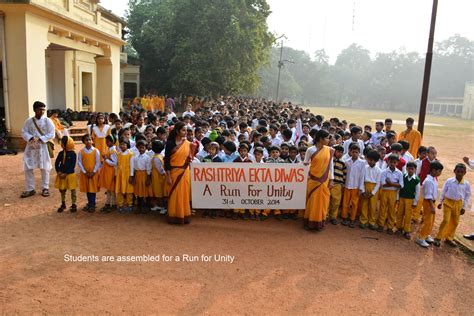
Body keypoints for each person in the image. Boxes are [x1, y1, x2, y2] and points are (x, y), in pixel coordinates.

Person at [21, 101, 55, 198]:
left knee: (45, 167)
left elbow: (52, 133)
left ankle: (45, 188)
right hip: (31, 147)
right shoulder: (28, 121)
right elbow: (23, 132)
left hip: (42, 147)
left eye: (43, 109)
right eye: (40, 109)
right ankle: (30, 189)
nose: (42, 111)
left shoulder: (47, 121)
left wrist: (41, 138)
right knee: (28, 167)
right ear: (35, 110)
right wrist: (30, 138)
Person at [433, 163, 471, 247]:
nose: (459, 173)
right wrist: (441, 202)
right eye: (458, 171)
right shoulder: (449, 181)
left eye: (462, 172)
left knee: (455, 222)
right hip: (448, 202)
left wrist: (464, 207)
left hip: (458, 204)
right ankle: (438, 238)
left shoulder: (466, 184)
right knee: (446, 220)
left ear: (465, 173)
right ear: (454, 171)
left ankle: (449, 238)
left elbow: (467, 196)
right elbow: (443, 191)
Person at [303, 129, 334, 231]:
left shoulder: (329, 150)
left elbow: (331, 165)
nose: (328, 140)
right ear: (320, 139)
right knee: (312, 200)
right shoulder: (310, 150)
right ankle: (310, 221)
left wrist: (332, 179)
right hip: (313, 179)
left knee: (323, 201)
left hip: (325, 179)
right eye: (326, 138)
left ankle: (320, 221)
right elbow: (305, 163)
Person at [164, 122, 195, 225]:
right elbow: (167, 161)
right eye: (183, 130)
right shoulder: (170, 143)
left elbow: (190, 158)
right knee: (173, 194)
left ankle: (184, 216)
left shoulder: (188, 144)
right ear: (177, 131)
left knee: (184, 194)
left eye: (186, 130)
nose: (185, 132)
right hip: (173, 172)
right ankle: (173, 216)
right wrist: (168, 176)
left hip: (184, 172)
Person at [416, 161, 444, 248]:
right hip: (429, 202)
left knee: (431, 220)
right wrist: (432, 206)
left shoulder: (434, 179)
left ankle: (427, 234)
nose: (440, 173)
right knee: (427, 220)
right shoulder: (428, 181)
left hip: (432, 202)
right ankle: (421, 237)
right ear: (433, 170)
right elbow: (428, 195)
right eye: (439, 171)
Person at [377, 155, 404, 233]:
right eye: (390, 162)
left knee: (392, 210)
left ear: (397, 163)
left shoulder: (399, 173)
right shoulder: (384, 172)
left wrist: (390, 183)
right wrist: (394, 183)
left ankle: (390, 227)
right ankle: (380, 225)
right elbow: (382, 184)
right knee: (382, 209)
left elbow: (401, 185)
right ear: (388, 162)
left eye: (394, 162)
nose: (392, 164)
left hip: (393, 193)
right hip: (384, 192)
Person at [340, 143, 365, 228]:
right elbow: (344, 174)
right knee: (345, 202)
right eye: (353, 152)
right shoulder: (347, 162)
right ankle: (344, 217)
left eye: (356, 152)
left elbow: (362, 176)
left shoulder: (362, 163)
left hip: (356, 186)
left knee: (354, 203)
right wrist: (343, 185)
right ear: (350, 152)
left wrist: (361, 188)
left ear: (359, 153)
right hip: (347, 185)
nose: (355, 154)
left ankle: (352, 219)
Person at [395, 162, 420, 239]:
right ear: (406, 169)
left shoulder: (416, 179)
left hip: (410, 200)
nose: (410, 170)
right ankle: (399, 228)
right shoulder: (403, 177)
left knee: (408, 215)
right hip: (402, 198)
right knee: (400, 213)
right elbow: (399, 188)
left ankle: (406, 230)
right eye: (409, 168)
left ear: (415, 170)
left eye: (412, 169)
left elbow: (417, 192)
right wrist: (397, 198)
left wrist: (415, 202)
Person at [359, 150, 382, 230]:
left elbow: (378, 183)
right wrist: (362, 190)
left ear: (376, 160)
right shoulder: (365, 168)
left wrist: (373, 193)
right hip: (365, 186)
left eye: (371, 160)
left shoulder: (379, 170)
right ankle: (363, 221)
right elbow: (361, 179)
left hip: (374, 188)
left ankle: (371, 222)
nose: (369, 161)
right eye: (368, 159)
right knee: (364, 205)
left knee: (373, 206)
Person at [78, 134, 101, 212]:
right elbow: (79, 163)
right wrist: (85, 172)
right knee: (87, 189)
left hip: (93, 174)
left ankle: (92, 204)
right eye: (86, 140)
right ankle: (89, 203)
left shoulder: (96, 151)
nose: (88, 141)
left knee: (92, 189)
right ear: (83, 142)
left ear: (92, 141)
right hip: (85, 174)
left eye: (90, 140)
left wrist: (93, 172)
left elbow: (98, 162)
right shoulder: (81, 152)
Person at [54, 136, 77, 213]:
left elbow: (72, 165)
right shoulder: (61, 153)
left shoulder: (73, 154)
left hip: (70, 174)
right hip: (61, 174)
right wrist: (59, 172)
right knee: (62, 189)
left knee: (72, 190)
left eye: (63, 143)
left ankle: (74, 204)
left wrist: (66, 173)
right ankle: (63, 203)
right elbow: (57, 163)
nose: (62, 145)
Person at [131, 140, 152, 213]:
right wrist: (132, 177)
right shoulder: (135, 157)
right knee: (139, 191)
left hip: (144, 175)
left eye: (142, 148)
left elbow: (149, 168)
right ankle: (139, 206)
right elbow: (133, 167)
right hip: (138, 175)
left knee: (145, 191)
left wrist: (148, 178)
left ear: (146, 148)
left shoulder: (147, 158)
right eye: (139, 148)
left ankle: (147, 207)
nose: (141, 149)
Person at [98, 135, 117, 213]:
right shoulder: (109, 149)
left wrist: (105, 159)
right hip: (107, 171)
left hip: (111, 171)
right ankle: (108, 203)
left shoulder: (113, 151)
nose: (106, 143)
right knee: (108, 189)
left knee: (111, 189)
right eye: (106, 141)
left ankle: (113, 204)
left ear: (112, 142)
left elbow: (114, 163)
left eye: (108, 141)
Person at [327, 145, 346, 225]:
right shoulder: (329, 160)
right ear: (334, 152)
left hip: (338, 184)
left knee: (336, 201)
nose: (340, 154)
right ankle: (325, 216)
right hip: (329, 183)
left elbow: (344, 174)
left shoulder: (343, 162)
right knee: (327, 200)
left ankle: (333, 217)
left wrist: (343, 183)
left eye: (342, 152)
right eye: (338, 152)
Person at [116, 138, 135, 213]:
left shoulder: (130, 154)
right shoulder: (119, 154)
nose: (122, 146)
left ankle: (130, 204)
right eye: (121, 144)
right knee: (120, 189)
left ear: (127, 145)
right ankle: (120, 205)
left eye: (124, 144)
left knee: (129, 190)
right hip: (120, 175)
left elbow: (132, 166)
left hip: (127, 175)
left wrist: (131, 176)